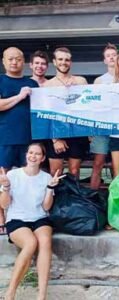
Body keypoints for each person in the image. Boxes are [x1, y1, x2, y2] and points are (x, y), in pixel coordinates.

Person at [0, 143, 63, 300]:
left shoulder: (46, 177)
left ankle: (41, 295)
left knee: (45, 241)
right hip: (17, 218)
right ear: (26, 155)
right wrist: (6, 187)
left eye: (37, 154)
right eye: (30, 153)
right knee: (30, 243)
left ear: (43, 158)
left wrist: (50, 188)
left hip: (39, 217)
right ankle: (10, 292)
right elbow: (4, 205)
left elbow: (46, 207)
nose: (32, 156)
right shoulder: (13, 175)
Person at [0, 47, 39, 235]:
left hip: (28, 140)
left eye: (18, 59)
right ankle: (1, 217)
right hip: (5, 137)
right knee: (2, 177)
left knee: (29, 179)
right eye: (10, 59)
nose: (14, 62)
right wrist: (20, 96)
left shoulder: (31, 83)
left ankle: (27, 215)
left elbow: (44, 107)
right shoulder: (1, 80)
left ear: (24, 61)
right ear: (4, 61)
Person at [43, 47, 89, 177]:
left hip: (76, 133)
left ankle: (72, 198)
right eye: (60, 59)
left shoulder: (81, 81)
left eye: (67, 60)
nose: (64, 62)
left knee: (74, 172)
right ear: (54, 61)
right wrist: (55, 139)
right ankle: (55, 197)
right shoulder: (47, 85)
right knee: (55, 173)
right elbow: (46, 114)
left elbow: (89, 107)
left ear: (71, 62)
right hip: (56, 133)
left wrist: (77, 90)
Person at [90, 43, 118, 189]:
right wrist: (92, 130)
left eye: (114, 55)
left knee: (117, 165)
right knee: (98, 164)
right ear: (105, 60)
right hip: (102, 128)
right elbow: (94, 107)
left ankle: (117, 199)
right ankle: (92, 199)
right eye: (108, 56)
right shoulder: (99, 81)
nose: (112, 58)